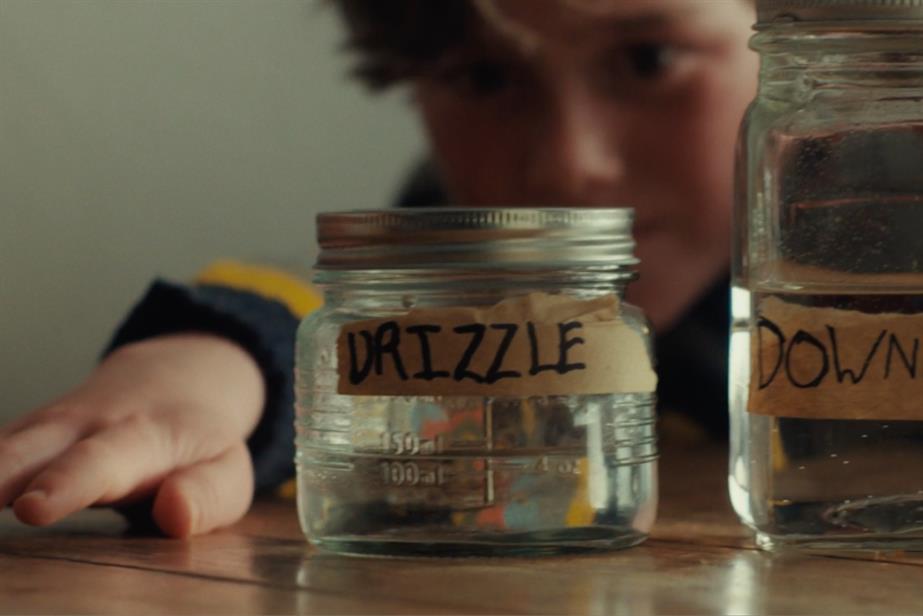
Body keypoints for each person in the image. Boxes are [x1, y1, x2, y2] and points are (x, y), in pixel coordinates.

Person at [0, 0, 758, 537]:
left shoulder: (864, 246)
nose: (568, 163)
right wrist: (222, 359)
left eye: (649, 60)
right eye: (483, 78)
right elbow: (361, 318)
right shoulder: (452, 240)